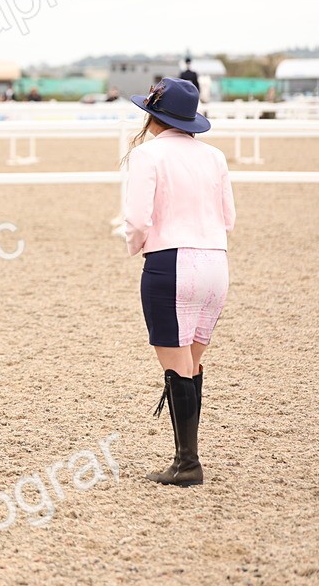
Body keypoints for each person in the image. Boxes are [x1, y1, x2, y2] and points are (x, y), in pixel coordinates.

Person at [123, 77, 235, 487]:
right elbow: (229, 218)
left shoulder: (147, 155)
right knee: (191, 363)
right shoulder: (215, 157)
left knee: (177, 366)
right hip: (216, 263)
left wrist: (135, 247)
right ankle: (187, 457)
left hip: (170, 262)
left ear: (153, 115)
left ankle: (187, 463)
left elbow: (137, 219)